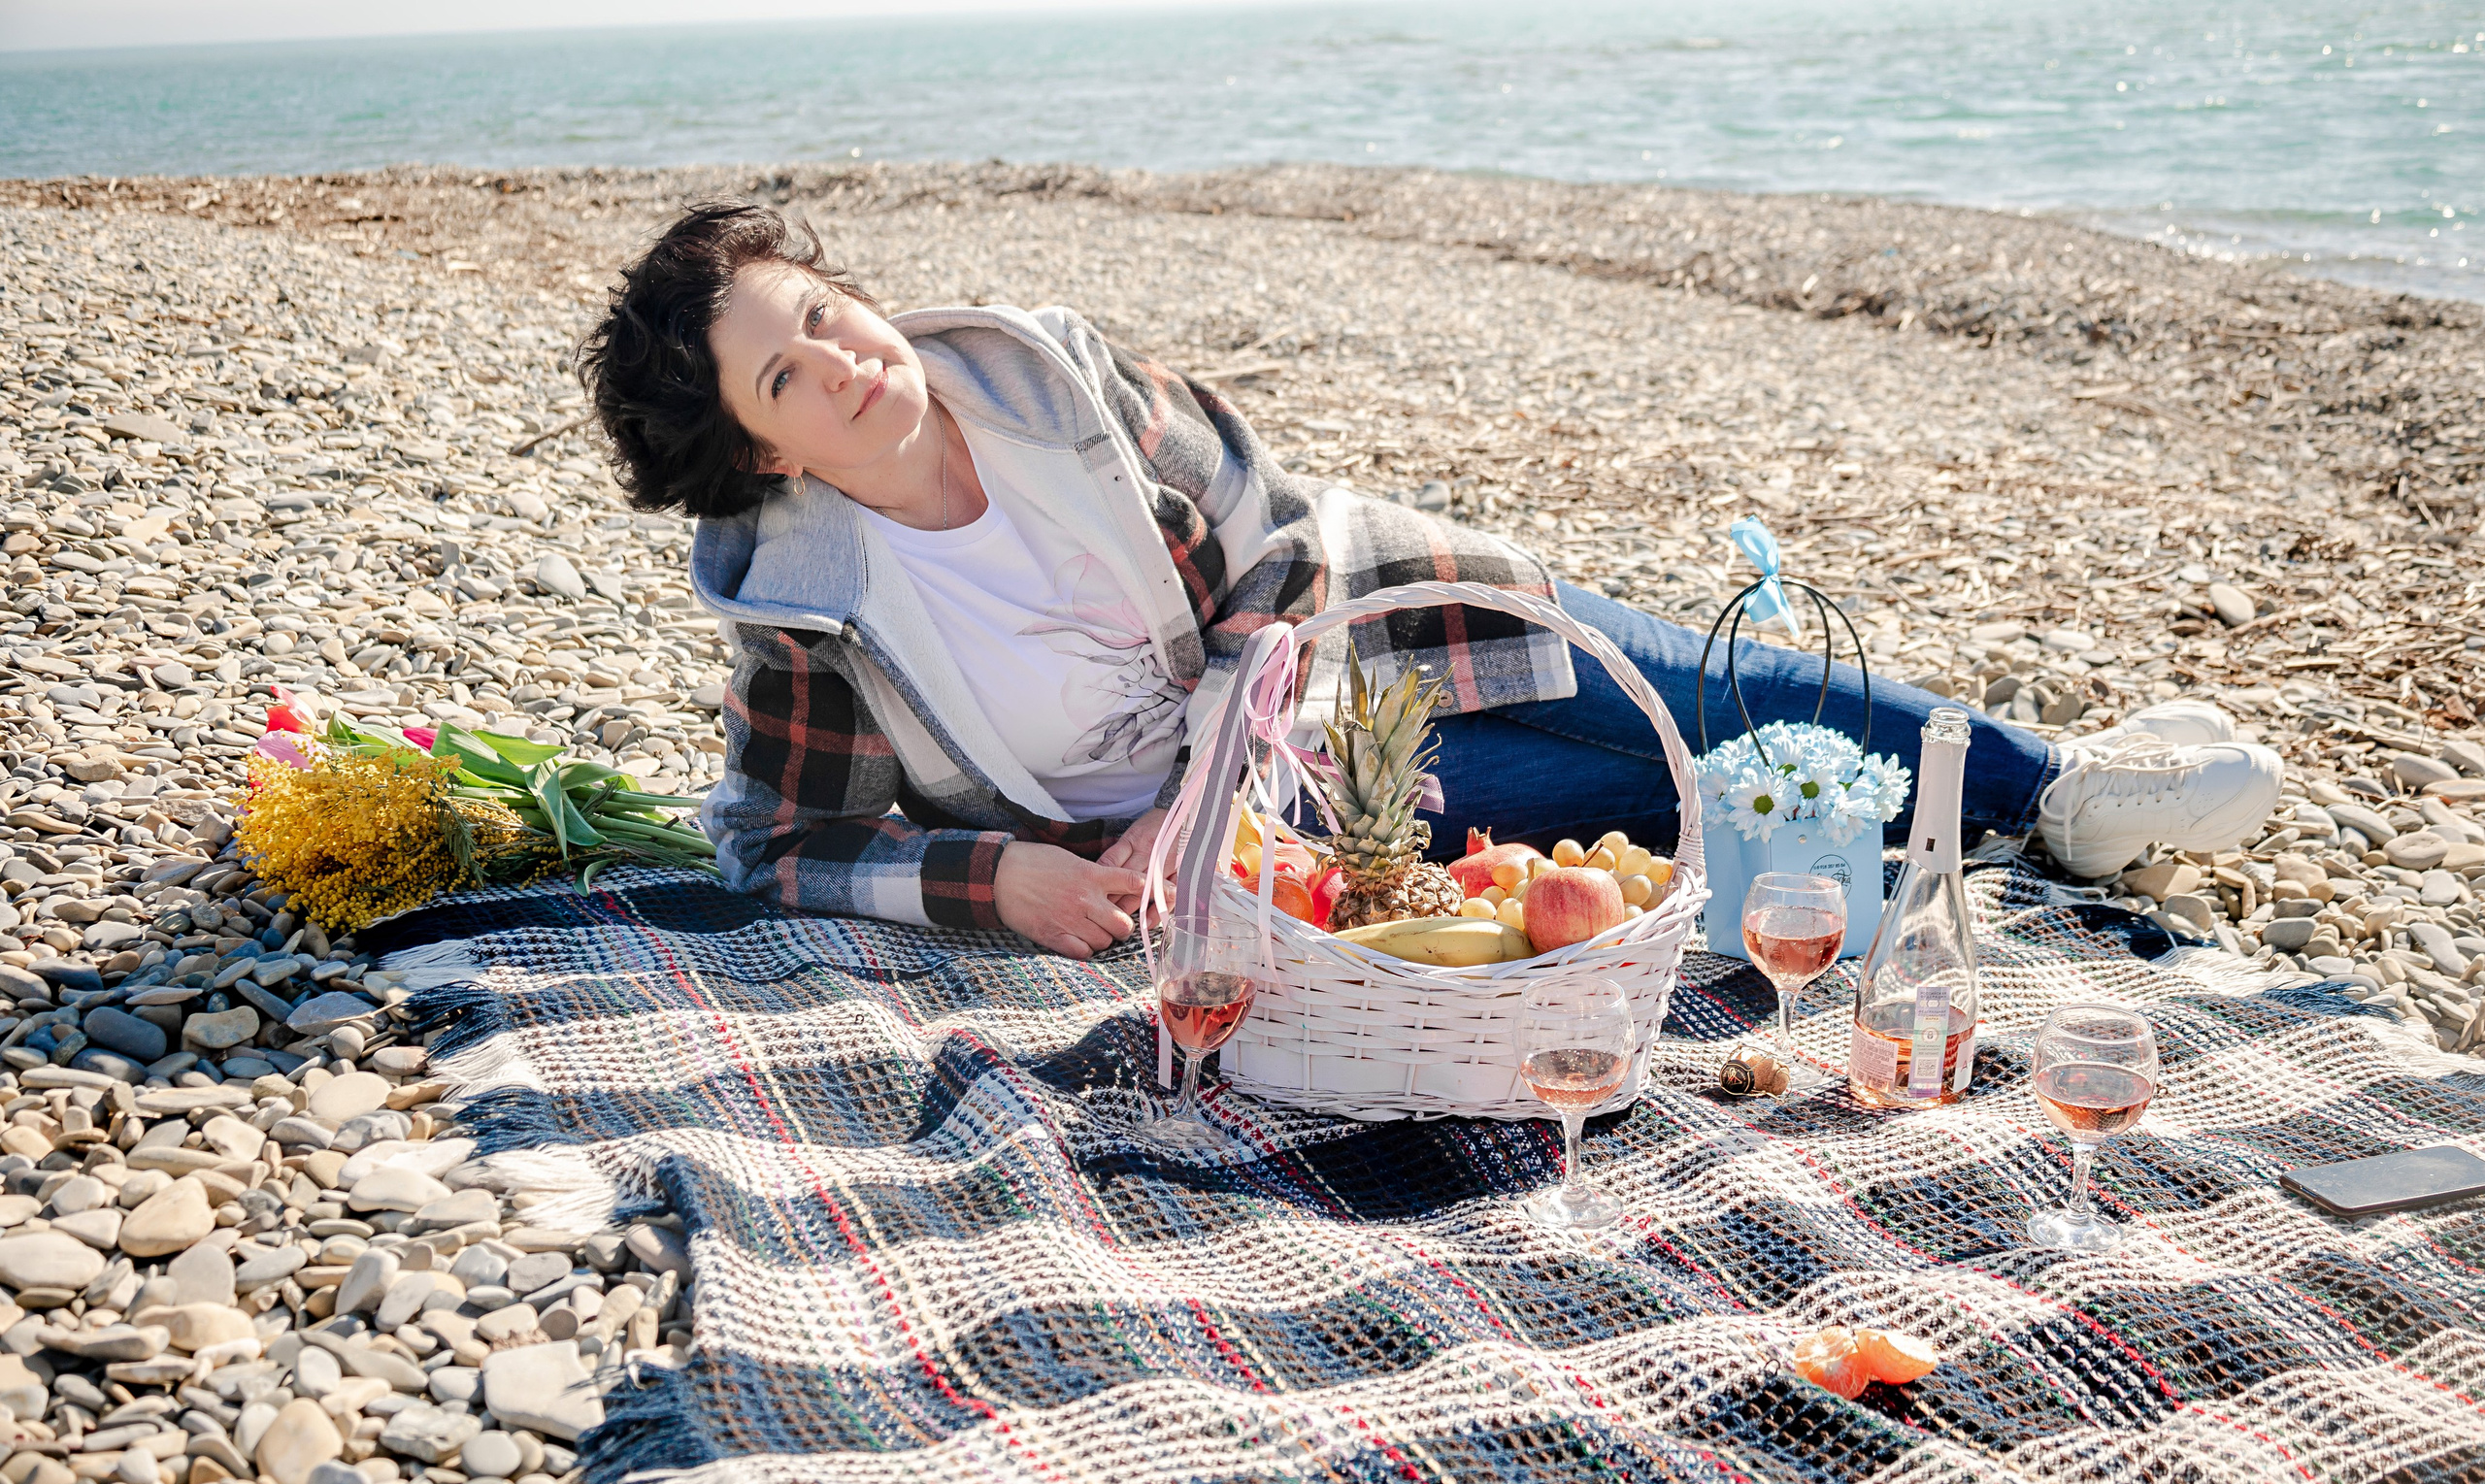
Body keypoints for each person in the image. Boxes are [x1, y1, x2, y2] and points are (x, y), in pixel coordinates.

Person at [577, 203, 2280, 958]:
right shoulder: (807, 605)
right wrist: (1002, 879)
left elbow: (1273, 547)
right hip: (1295, 828)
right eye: (787, 377)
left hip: (1369, 621)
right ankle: (1974, 833)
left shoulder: (1046, 378)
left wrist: (1212, 762)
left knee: (1693, 681)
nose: (845, 363)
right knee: (1661, 806)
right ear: (765, 456)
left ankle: (2063, 787)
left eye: (827, 315)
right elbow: (768, 844)